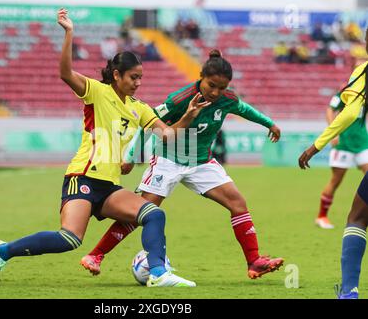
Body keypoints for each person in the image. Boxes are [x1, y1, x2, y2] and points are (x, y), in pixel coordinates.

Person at [0, 8, 211, 289]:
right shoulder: (96, 92)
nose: (138, 83)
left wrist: (188, 115)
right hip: (83, 178)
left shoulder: (139, 108)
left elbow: (167, 135)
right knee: (69, 239)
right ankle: (1, 252)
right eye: (133, 77)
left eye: (140, 78)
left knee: (153, 214)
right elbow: (65, 72)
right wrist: (69, 33)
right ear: (116, 75)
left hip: (109, 186)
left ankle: (159, 273)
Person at [80, 50, 284, 280]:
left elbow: (245, 109)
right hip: (168, 159)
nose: (216, 92)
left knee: (237, 203)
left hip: (201, 161)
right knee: (142, 211)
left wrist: (269, 124)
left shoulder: (228, 99)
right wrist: (133, 155)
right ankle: (95, 255)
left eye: (222, 87)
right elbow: (149, 121)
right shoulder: (179, 99)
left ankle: (254, 262)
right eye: (211, 85)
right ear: (201, 77)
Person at [298, 27, 368, 299]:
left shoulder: (363, 72)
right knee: (336, 181)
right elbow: (334, 107)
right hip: (351, 144)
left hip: (356, 142)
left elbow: (349, 112)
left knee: (358, 217)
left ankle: (349, 291)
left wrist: (318, 144)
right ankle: (321, 214)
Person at [315, 89, 368, 229]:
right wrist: (334, 133)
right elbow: (330, 110)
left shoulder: (365, 93)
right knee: (336, 180)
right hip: (344, 144)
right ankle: (321, 216)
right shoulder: (344, 93)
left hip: (362, 144)